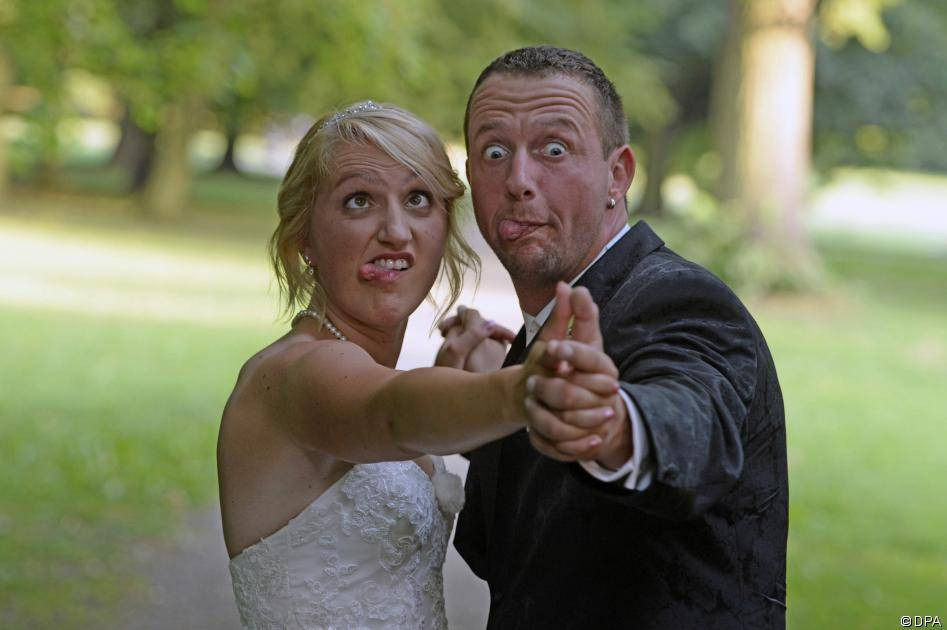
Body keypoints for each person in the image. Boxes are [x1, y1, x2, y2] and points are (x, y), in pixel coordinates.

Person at [216, 101, 618, 629]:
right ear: (304, 238)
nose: (396, 231)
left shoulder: (357, 369)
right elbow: (392, 414)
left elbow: (396, 406)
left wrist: (455, 375)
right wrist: (522, 388)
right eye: (359, 201)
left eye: (418, 200)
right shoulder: (294, 375)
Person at [439, 46, 789, 628]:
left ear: (617, 174)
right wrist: (489, 407)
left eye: (555, 149)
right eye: (494, 152)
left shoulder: (680, 300)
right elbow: (505, 553)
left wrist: (612, 423)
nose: (519, 180)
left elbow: (689, 416)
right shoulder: (541, 335)